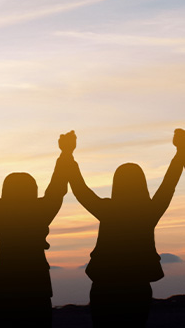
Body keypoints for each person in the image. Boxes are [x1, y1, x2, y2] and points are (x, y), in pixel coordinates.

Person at [67, 128, 185, 328]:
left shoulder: (107, 209)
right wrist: (180, 151)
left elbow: (80, 189)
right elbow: (169, 182)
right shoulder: (149, 211)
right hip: (136, 286)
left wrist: (68, 155)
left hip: (105, 286)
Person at [0, 131, 74, 328]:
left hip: (7, 291)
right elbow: (57, 188)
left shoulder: (0, 215)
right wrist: (65, 153)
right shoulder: (41, 212)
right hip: (37, 290)